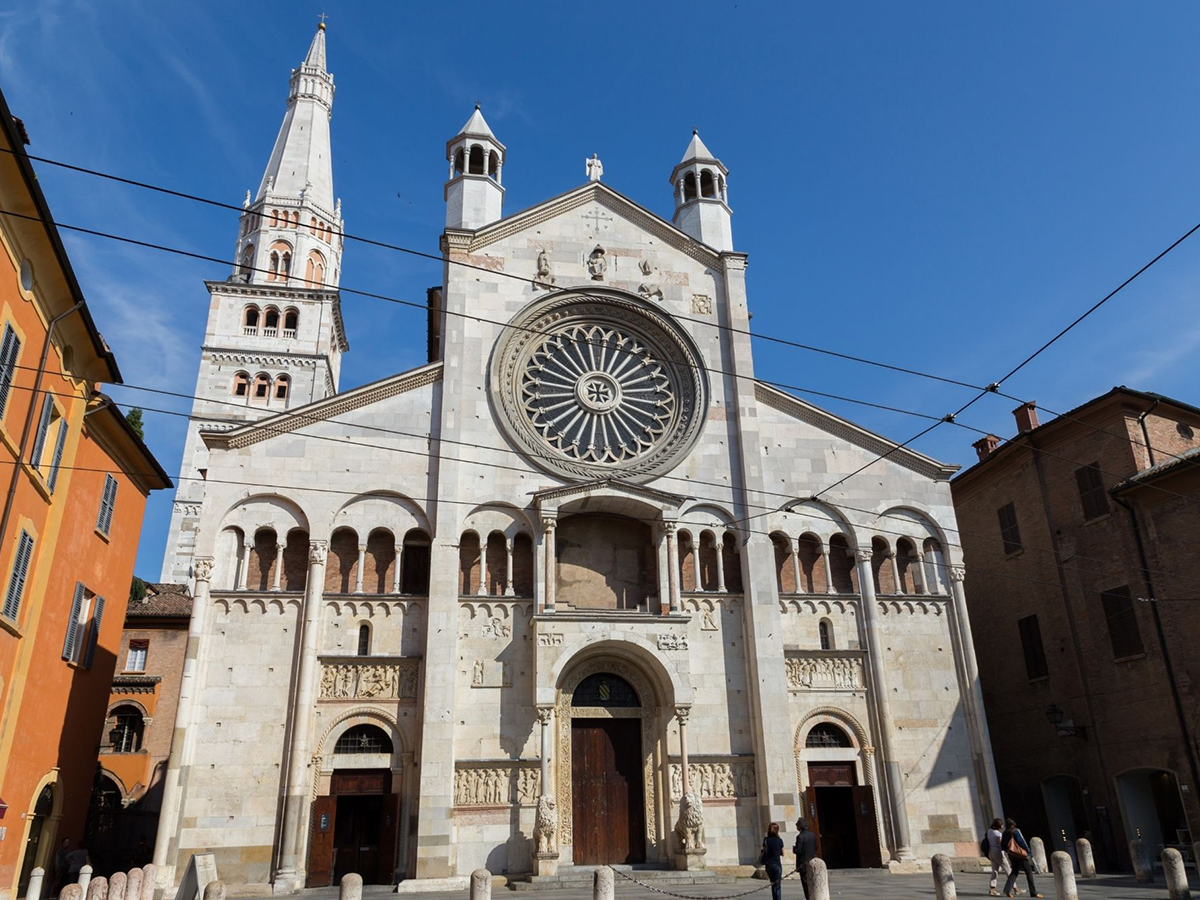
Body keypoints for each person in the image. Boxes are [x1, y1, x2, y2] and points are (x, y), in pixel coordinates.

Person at [1001, 818, 1042, 898]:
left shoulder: (1004, 833)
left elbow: (1003, 845)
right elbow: (1022, 842)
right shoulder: (1016, 831)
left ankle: (1007, 890)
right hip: (1020, 855)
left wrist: (1009, 851)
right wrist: (1028, 852)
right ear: (1013, 824)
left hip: (1012, 855)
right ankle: (1033, 892)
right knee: (1029, 873)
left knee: (1014, 872)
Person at [986, 817, 1011, 896]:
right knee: (1008, 870)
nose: (1002, 826)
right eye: (1001, 825)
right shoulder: (998, 834)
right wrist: (1006, 854)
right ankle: (1015, 888)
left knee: (995, 871)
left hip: (991, 852)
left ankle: (992, 888)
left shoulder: (989, 831)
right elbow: (1001, 845)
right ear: (999, 826)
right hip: (998, 853)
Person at [794, 818, 817, 900]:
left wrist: (794, 849)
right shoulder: (813, 835)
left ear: (800, 826)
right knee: (812, 882)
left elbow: (798, 850)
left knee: (805, 884)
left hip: (803, 864)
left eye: (797, 825)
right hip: (812, 862)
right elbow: (815, 848)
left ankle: (808, 898)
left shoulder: (800, 837)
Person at [761, 822, 785, 900]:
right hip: (777, 864)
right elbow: (783, 853)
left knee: (773, 884)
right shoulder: (779, 840)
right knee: (777, 886)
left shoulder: (766, 840)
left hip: (769, 865)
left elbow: (764, 851)